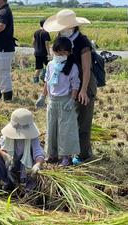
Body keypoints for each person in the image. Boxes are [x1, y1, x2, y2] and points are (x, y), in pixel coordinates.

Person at [43, 9, 96, 164]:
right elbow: (54, 63)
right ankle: (61, 152)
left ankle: (82, 154)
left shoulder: (82, 42)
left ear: (72, 27)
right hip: (64, 86)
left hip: (84, 82)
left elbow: (86, 68)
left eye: (62, 27)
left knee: (82, 120)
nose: (60, 30)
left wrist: (84, 90)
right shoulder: (60, 38)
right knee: (66, 121)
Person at [35, 37, 80, 166]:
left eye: (64, 52)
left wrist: (72, 99)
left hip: (66, 100)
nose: (61, 55)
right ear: (54, 51)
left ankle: (66, 157)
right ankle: (52, 154)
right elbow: (47, 82)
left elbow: (75, 85)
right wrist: (43, 97)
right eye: (58, 52)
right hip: (52, 101)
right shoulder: (50, 64)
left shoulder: (72, 66)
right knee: (51, 127)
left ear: (69, 53)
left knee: (65, 129)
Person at [0, 108, 45, 191]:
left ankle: (28, 189)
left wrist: (38, 164)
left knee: (34, 167)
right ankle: (4, 183)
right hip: (11, 165)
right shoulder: (8, 135)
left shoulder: (33, 137)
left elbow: (38, 152)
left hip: (26, 167)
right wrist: (5, 155)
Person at [33, 18, 51, 83]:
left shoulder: (36, 32)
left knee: (38, 68)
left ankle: (35, 82)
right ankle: (44, 77)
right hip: (44, 53)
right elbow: (47, 44)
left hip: (37, 53)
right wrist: (49, 53)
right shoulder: (46, 33)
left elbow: (33, 42)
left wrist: (35, 49)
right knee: (49, 66)